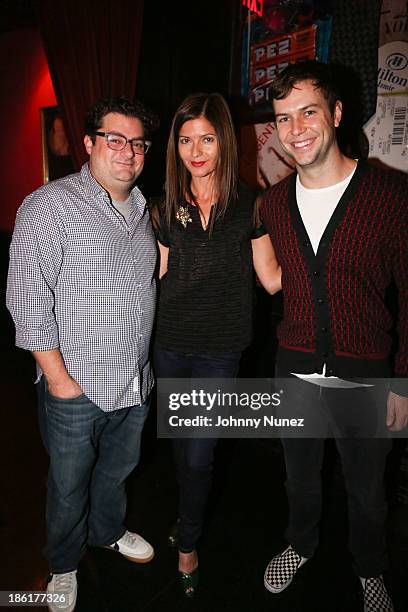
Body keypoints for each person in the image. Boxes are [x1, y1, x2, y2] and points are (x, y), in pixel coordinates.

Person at [260, 61, 408, 612]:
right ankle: (300, 545)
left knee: (368, 493)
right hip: (293, 369)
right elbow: (276, 279)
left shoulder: (391, 195)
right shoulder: (273, 203)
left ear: (337, 114)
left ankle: (370, 568)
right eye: (282, 118)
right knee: (299, 480)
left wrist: (403, 380)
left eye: (308, 112)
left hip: (368, 374)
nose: (295, 128)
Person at [7, 96, 159, 612]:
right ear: (90, 144)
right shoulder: (50, 204)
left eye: (137, 143)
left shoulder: (141, 209)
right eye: (115, 140)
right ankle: (63, 565)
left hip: (134, 381)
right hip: (76, 385)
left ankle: (108, 532)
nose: (128, 152)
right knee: (69, 487)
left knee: (117, 473)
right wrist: (57, 380)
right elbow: (27, 296)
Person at [152, 92, 281, 597]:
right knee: (183, 449)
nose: (196, 150)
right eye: (185, 140)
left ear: (224, 140)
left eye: (206, 138)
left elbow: (270, 278)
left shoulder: (250, 205)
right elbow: (156, 277)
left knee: (201, 455)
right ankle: (188, 516)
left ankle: (188, 541)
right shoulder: (164, 208)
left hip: (220, 350)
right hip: (169, 345)